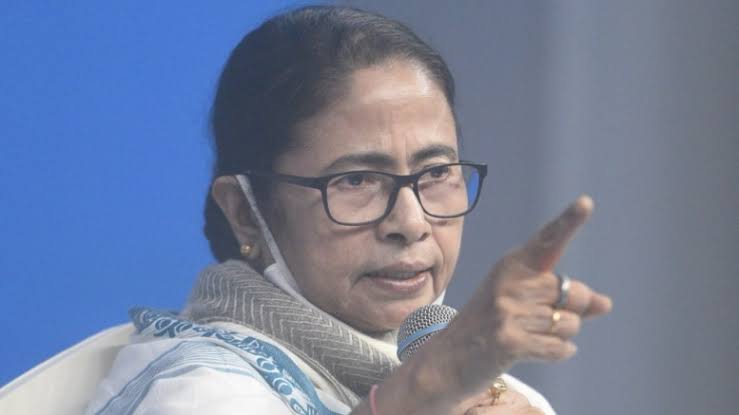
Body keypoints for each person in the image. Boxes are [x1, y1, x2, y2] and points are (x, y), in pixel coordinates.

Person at [85, 5, 612, 415]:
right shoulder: (192, 391)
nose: (411, 223)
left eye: (435, 174)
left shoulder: (501, 400)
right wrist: (424, 390)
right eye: (356, 180)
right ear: (245, 211)